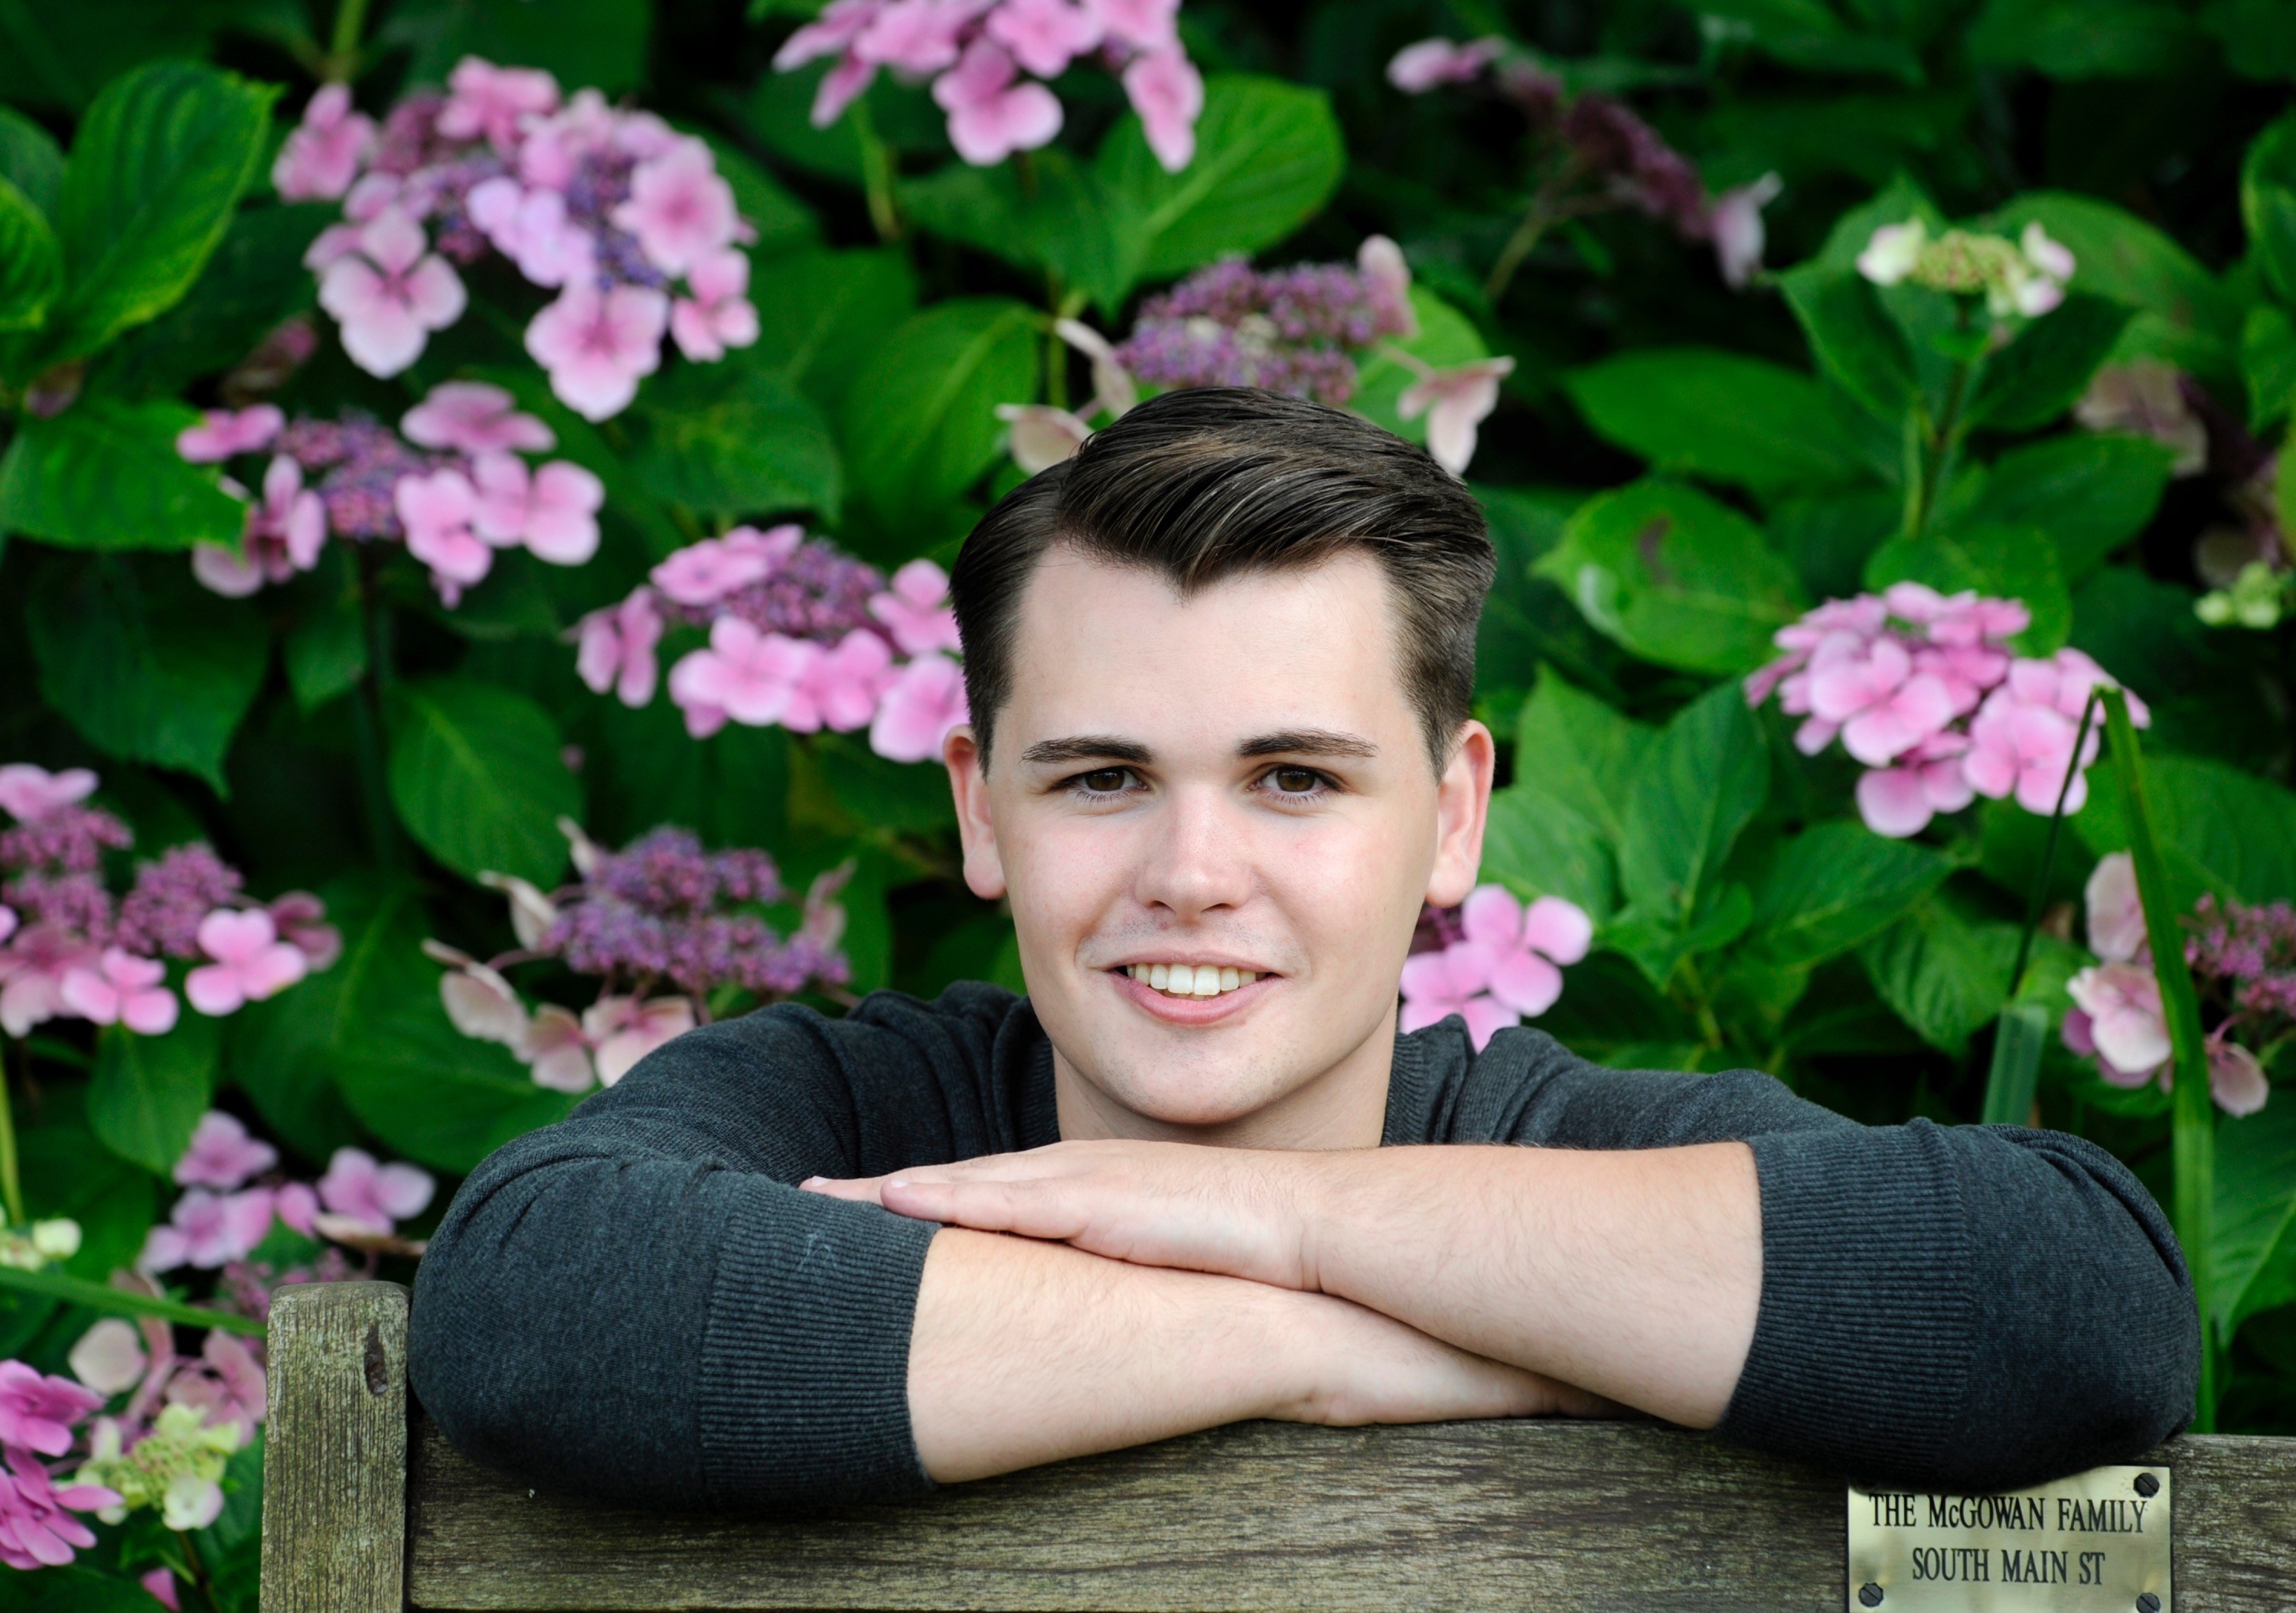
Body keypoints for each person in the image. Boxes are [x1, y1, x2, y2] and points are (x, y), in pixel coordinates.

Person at [410, 387, 2197, 1510]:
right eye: (1103, 775)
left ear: (1455, 811)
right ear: (978, 808)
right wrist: (1325, 1344)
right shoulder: (842, 1104)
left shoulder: (1565, 1145)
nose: (1194, 872)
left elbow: (2078, 1305)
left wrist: (1281, 1213)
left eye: (1293, 778)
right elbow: (532, 1306)